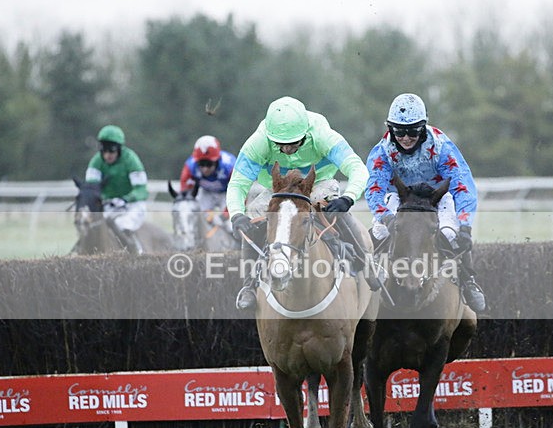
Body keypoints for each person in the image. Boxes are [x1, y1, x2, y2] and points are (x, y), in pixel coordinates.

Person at [226, 96, 371, 310]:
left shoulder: (323, 134)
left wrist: (348, 198)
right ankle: (248, 284)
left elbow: (357, 168)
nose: (287, 150)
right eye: (280, 145)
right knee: (252, 215)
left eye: (294, 143)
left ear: (305, 134)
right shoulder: (258, 142)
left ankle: (366, 266)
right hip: (279, 190)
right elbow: (237, 184)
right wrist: (237, 214)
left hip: (318, 183)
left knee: (334, 210)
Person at [365, 93, 486, 312]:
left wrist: (466, 226)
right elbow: (374, 190)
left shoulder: (442, 148)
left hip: (436, 196)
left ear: (423, 128)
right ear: (391, 129)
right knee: (381, 231)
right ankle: (367, 275)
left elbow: (463, 186)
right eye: (399, 131)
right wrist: (386, 217)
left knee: (450, 233)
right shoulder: (383, 152)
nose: (405, 138)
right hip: (401, 197)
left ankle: (468, 280)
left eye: (412, 131)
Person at [84, 124, 149, 255]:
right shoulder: (96, 162)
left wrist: (125, 199)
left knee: (121, 225)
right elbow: (91, 189)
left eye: (111, 151)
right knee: (88, 225)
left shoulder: (131, 160)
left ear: (119, 149)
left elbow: (141, 190)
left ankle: (137, 253)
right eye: (104, 151)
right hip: (108, 206)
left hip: (132, 206)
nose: (107, 155)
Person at [178, 135, 236, 225]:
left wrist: (225, 215)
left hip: (228, 194)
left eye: (209, 164)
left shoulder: (230, 166)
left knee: (231, 225)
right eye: (201, 163)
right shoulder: (190, 167)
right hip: (206, 193)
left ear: (217, 160)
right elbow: (186, 195)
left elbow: (240, 194)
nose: (205, 168)